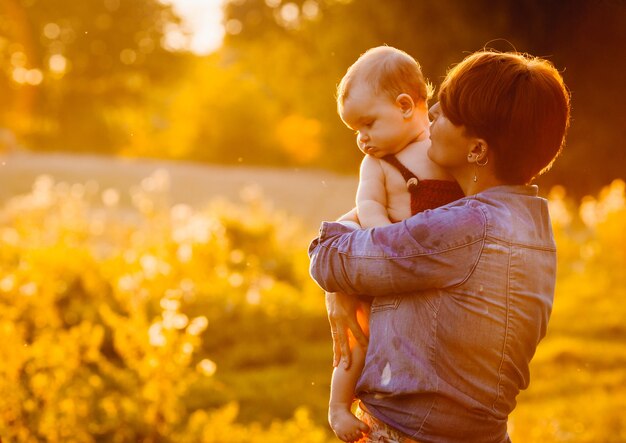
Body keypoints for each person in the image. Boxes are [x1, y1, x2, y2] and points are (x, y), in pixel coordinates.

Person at [309, 49, 570, 443]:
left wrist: (339, 287)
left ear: (478, 149)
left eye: (445, 112)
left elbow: (327, 260)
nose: (429, 114)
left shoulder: (462, 229)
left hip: (410, 433)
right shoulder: (529, 224)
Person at [327, 46, 463, 442]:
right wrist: (384, 236)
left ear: (405, 105)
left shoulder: (442, 148)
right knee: (358, 337)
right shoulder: (378, 164)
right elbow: (366, 205)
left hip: (434, 270)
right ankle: (339, 404)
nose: (361, 139)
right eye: (355, 131)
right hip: (387, 257)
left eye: (367, 124)